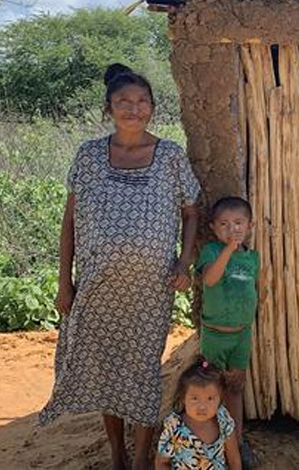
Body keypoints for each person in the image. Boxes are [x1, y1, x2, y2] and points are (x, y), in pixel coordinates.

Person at [40, 63, 200, 470]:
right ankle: (117, 457)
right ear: (108, 107)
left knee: (143, 373)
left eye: (142, 101)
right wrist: (64, 283)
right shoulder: (90, 155)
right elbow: (70, 222)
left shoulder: (169, 156)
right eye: (124, 102)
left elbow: (192, 213)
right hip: (97, 287)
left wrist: (184, 261)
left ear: (152, 106)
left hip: (150, 290)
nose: (134, 109)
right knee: (107, 371)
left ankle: (142, 458)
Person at [195, 196, 258, 464]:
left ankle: (237, 441)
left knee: (235, 387)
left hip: (241, 335)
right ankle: (209, 442)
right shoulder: (210, 252)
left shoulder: (253, 258)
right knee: (209, 388)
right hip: (214, 336)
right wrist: (228, 251)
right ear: (213, 228)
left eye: (238, 223)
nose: (232, 229)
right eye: (224, 224)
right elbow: (209, 279)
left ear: (250, 226)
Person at [156, 356, 242, 469]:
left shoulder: (223, 421)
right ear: (183, 398)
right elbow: (162, 462)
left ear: (220, 399)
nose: (202, 406)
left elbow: (234, 460)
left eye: (210, 399)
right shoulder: (175, 426)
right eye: (195, 399)